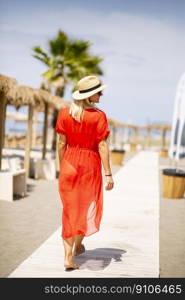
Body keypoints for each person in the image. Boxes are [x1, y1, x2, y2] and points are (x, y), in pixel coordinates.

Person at [55, 75, 114, 271]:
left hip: (69, 164)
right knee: (85, 207)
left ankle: (68, 254)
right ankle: (74, 249)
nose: (102, 94)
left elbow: (61, 144)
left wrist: (62, 166)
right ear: (89, 96)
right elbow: (102, 146)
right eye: (99, 92)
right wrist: (109, 174)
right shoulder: (98, 116)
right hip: (89, 165)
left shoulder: (64, 113)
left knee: (69, 210)